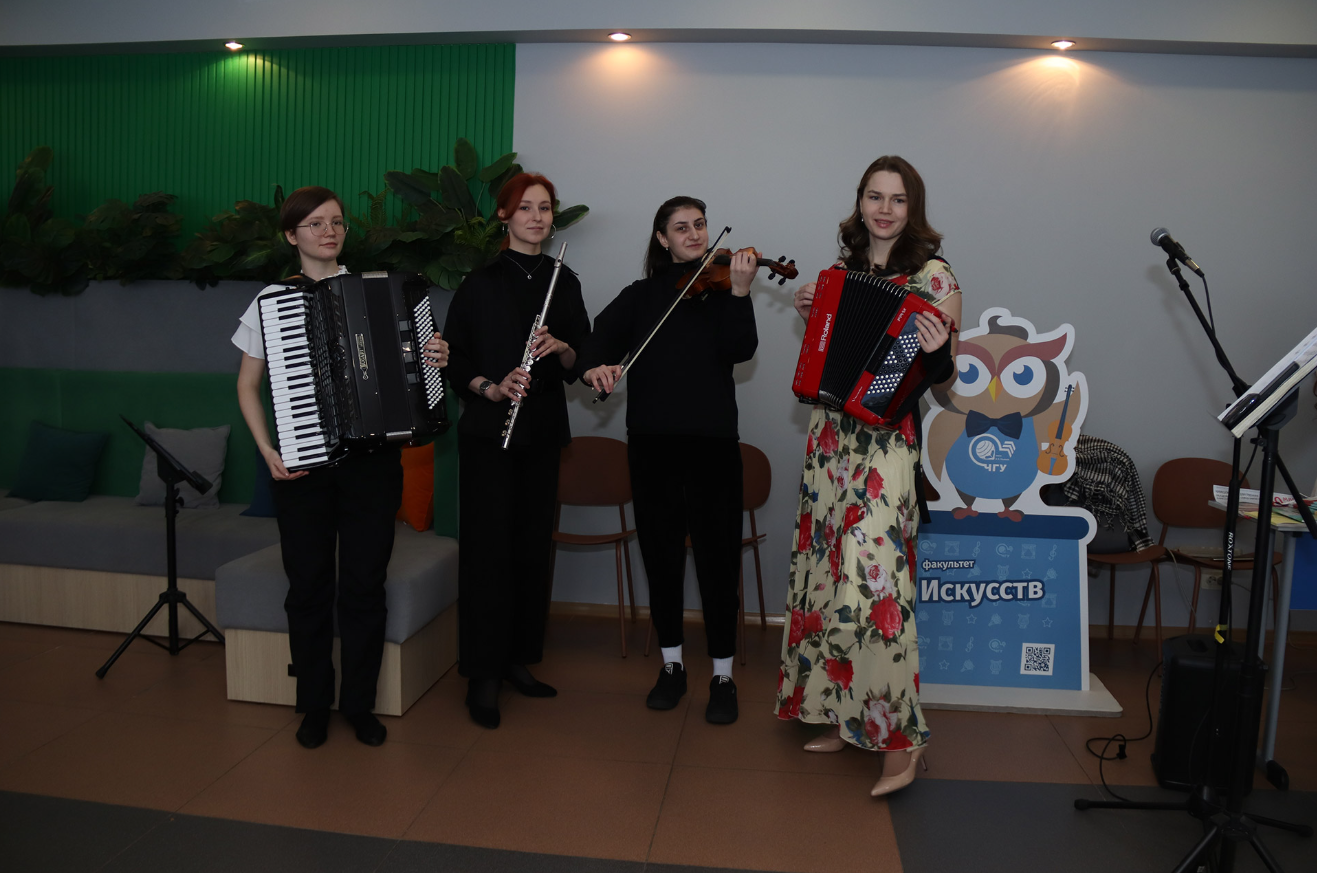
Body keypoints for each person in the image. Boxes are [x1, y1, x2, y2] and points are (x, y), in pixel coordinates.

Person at [233, 185, 449, 749]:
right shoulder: (272, 301)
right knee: (307, 588)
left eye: (336, 222)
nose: (328, 231)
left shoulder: (382, 293)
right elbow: (248, 385)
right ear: (291, 235)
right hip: (303, 469)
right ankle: (313, 704)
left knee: (364, 586)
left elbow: (417, 367)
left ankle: (359, 704)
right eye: (315, 223)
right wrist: (267, 449)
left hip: (372, 467)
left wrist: (435, 357)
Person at [776, 156, 961, 796]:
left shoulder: (935, 276)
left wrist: (937, 351)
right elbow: (826, 359)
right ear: (860, 202)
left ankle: (902, 743)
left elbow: (944, 378)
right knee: (829, 578)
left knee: (875, 584)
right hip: (830, 440)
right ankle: (842, 713)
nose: (885, 209)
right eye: (875, 197)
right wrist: (812, 313)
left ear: (914, 207)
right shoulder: (844, 271)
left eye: (898, 199)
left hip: (886, 444)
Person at [580, 196, 759, 725]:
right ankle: (672, 666)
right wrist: (593, 370)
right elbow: (594, 345)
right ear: (662, 238)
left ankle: (722, 675)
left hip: (713, 444)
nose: (694, 234)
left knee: (718, 560)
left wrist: (742, 292)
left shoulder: (723, 289)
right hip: (652, 445)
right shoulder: (641, 296)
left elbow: (741, 349)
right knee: (660, 557)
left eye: (700, 224)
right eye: (681, 227)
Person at [440, 173, 591, 729]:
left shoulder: (564, 281)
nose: (536, 217)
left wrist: (563, 346)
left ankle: (516, 660)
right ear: (504, 216)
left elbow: (581, 360)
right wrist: (491, 387)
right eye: (525, 208)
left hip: (542, 431)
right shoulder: (479, 283)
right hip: (489, 434)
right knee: (488, 554)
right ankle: (482, 674)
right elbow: (453, 359)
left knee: (530, 550)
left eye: (544, 208)